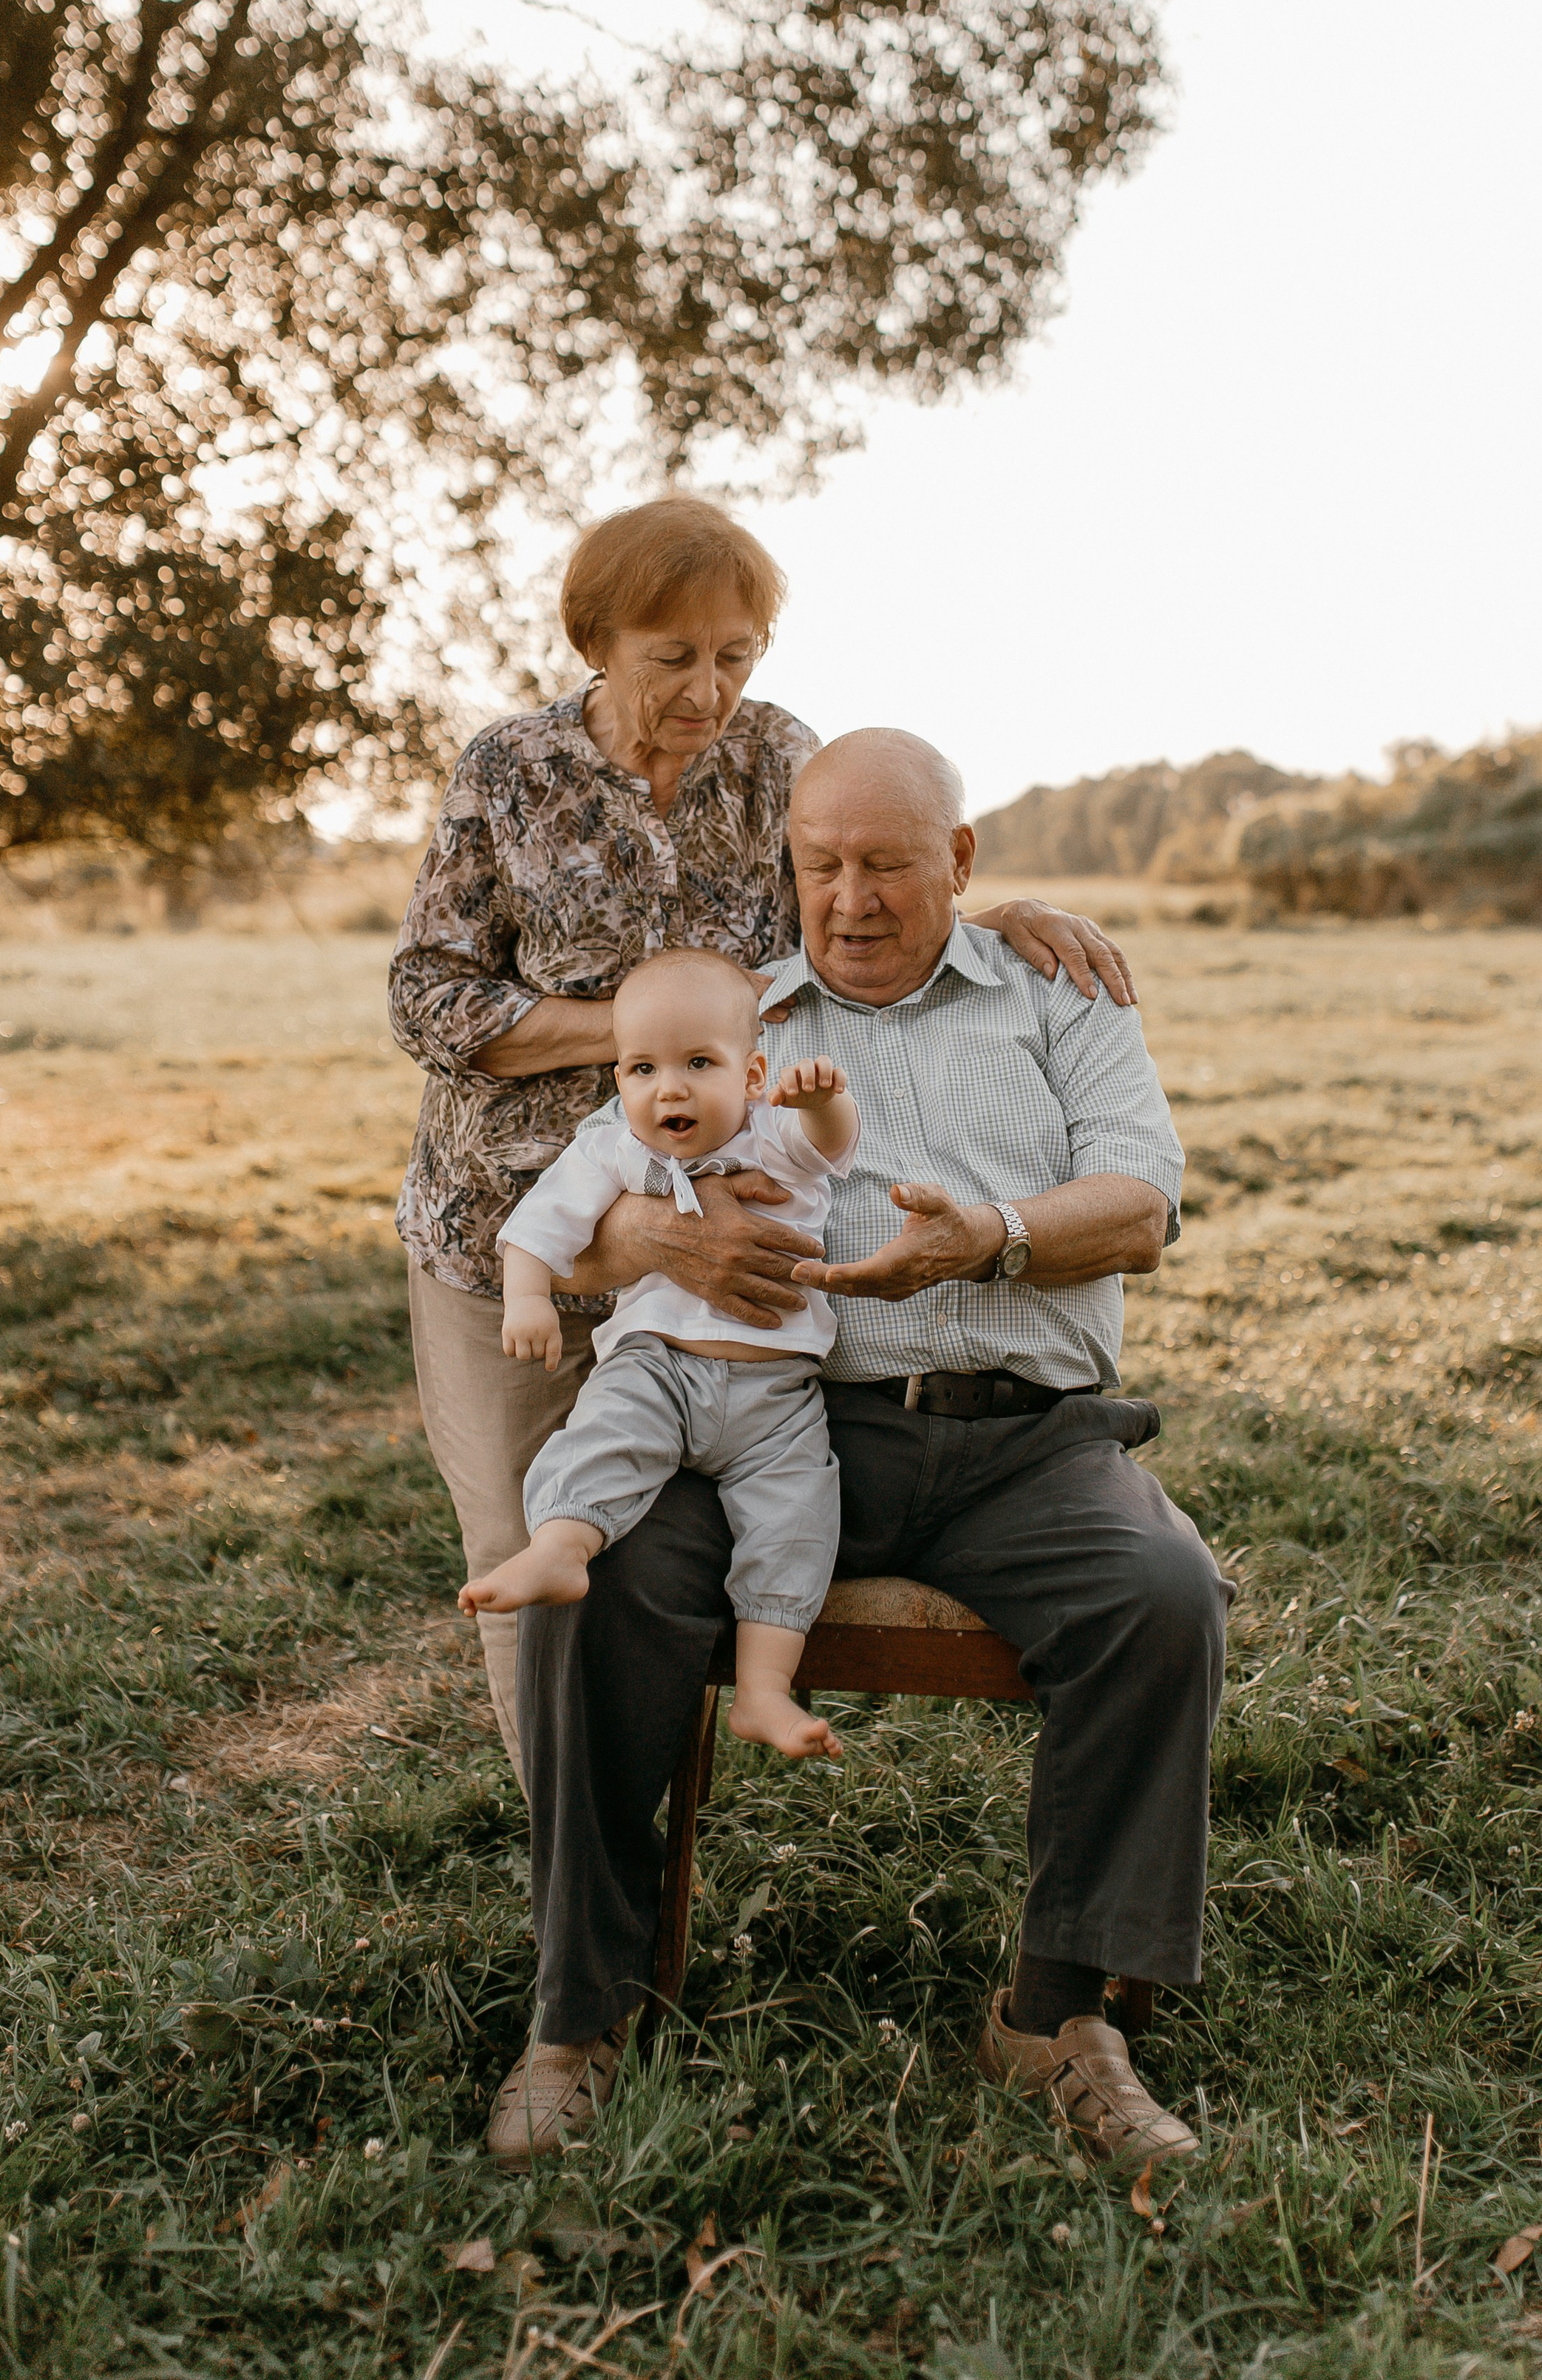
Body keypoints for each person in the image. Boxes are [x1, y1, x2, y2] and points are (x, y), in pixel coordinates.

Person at [486, 728, 1232, 2173]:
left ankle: (1056, 2019)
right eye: (819, 864)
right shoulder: (735, 1014)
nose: (849, 899)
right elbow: (600, 1195)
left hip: (1024, 1439)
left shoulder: (1058, 989)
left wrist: (990, 1239)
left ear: (959, 861)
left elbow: (1141, 1206)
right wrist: (648, 1237)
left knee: (1160, 1595)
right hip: (773, 1429)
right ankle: (578, 2017)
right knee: (601, 1573)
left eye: (886, 864)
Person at [389, 495, 1140, 1783]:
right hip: (516, 1231)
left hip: (725, 1237)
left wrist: (987, 913)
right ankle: (574, 1847)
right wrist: (649, 1039)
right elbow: (427, 999)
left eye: (735, 654)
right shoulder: (510, 771)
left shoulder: (778, 754)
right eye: (673, 657)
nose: (710, 690)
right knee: (535, 1540)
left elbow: (854, 886)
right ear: (597, 643)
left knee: (665, 1554)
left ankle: (662, 1803)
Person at [457, 946, 857, 1762]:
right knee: (603, 1439)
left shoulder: (773, 1134)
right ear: (620, 1082)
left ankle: (764, 1690)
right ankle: (561, 1548)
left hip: (776, 1398)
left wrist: (825, 1102)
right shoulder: (615, 1148)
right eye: (643, 1069)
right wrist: (528, 1299)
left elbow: (832, 1146)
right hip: (657, 1368)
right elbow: (539, 1226)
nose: (668, 1089)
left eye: (698, 1064)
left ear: (751, 1075)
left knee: (796, 1523)